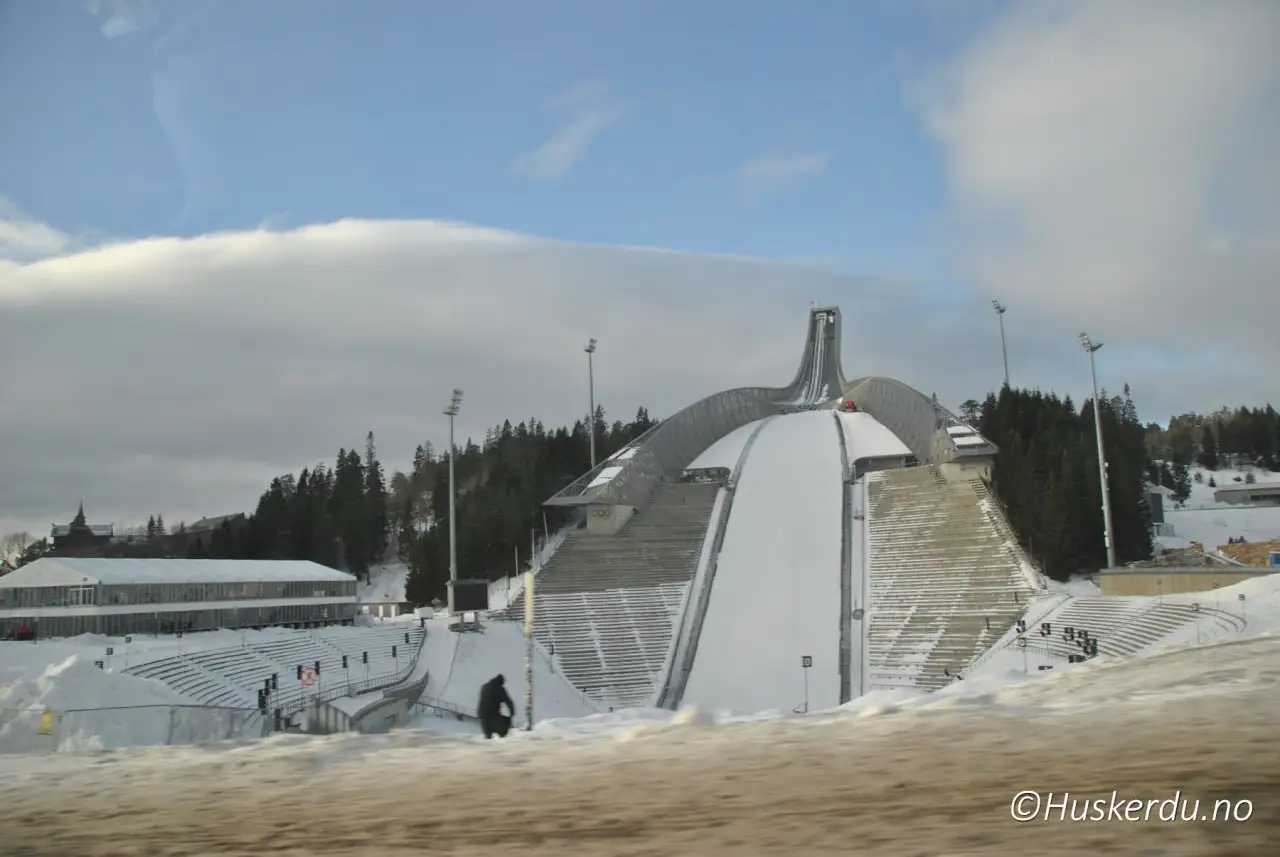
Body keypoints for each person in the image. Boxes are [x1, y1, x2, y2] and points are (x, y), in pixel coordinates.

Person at [477, 674, 516, 739]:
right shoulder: (500, 689)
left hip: (482, 717)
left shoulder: (484, 687)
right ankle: (504, 741)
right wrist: (512, 713)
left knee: (488, 737)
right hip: (493, 717)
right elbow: (508, 702)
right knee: (505, 724)